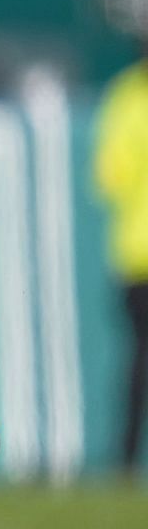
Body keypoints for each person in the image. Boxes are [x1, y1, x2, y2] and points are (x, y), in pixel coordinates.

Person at [93, 37, 148, 475]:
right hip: (137, 254)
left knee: (139, 366)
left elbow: (109, 175)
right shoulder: (126, 94)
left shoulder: (126, 95)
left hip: (136, 252)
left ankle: (126, 460)